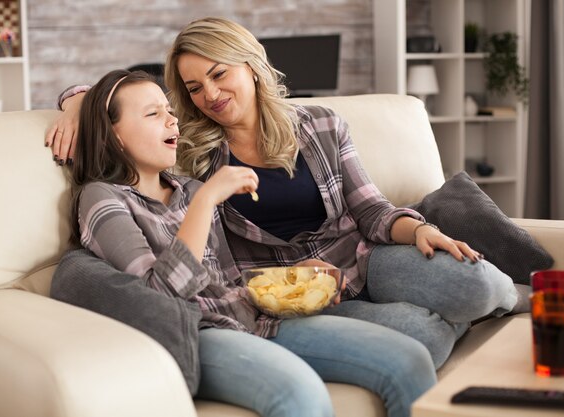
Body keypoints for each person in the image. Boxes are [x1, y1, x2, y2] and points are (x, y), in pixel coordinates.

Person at [49, 15, 522, 376]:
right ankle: (456, 319)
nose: (209, 95)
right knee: (422, 338)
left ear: (251, 66)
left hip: (364, 256)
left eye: (219, 74)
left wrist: (420, 228)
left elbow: (371, 210)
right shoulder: (191, 155)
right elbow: (122, 109)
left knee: (476, 284)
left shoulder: (321, 125)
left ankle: (523, 300)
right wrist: (74, 102)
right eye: (194, 88)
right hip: (297, 291)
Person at [61, 68, 437, 417]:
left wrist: (291, 276)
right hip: (197, 334)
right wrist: (207, 200)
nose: (173, 119)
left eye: (168, 108)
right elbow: (158, 300)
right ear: (114, 135)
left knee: (410, 361)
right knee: (300, 394)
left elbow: (227, 279)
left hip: (254, 319)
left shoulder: (188, 188)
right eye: (153, 113)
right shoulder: (103, 198)